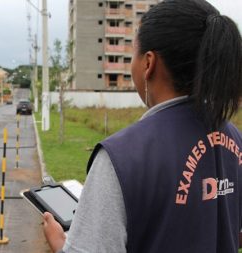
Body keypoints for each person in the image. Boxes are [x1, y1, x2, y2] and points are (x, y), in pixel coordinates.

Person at [43, 0, 242, 252]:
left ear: (149, 63)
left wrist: (62, 245)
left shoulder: (121, 157)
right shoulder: (234, 139)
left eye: (132, 52)